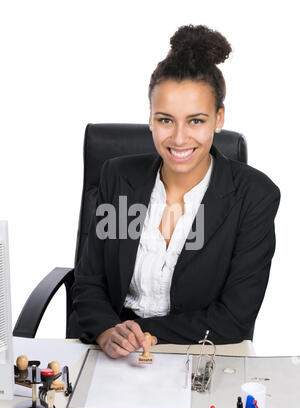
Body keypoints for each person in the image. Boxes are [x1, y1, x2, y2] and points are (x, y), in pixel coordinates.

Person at [68, 24, 280, 358]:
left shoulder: (253, 196)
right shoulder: (118, 178)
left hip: (197, 355)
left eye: (196, 120)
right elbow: (90, 280)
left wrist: (141, 334)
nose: (179, 138)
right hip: (113, 353)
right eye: (166, 120)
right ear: (150, 117)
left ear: (218, 118)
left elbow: (234, 318)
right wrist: (108, 331)